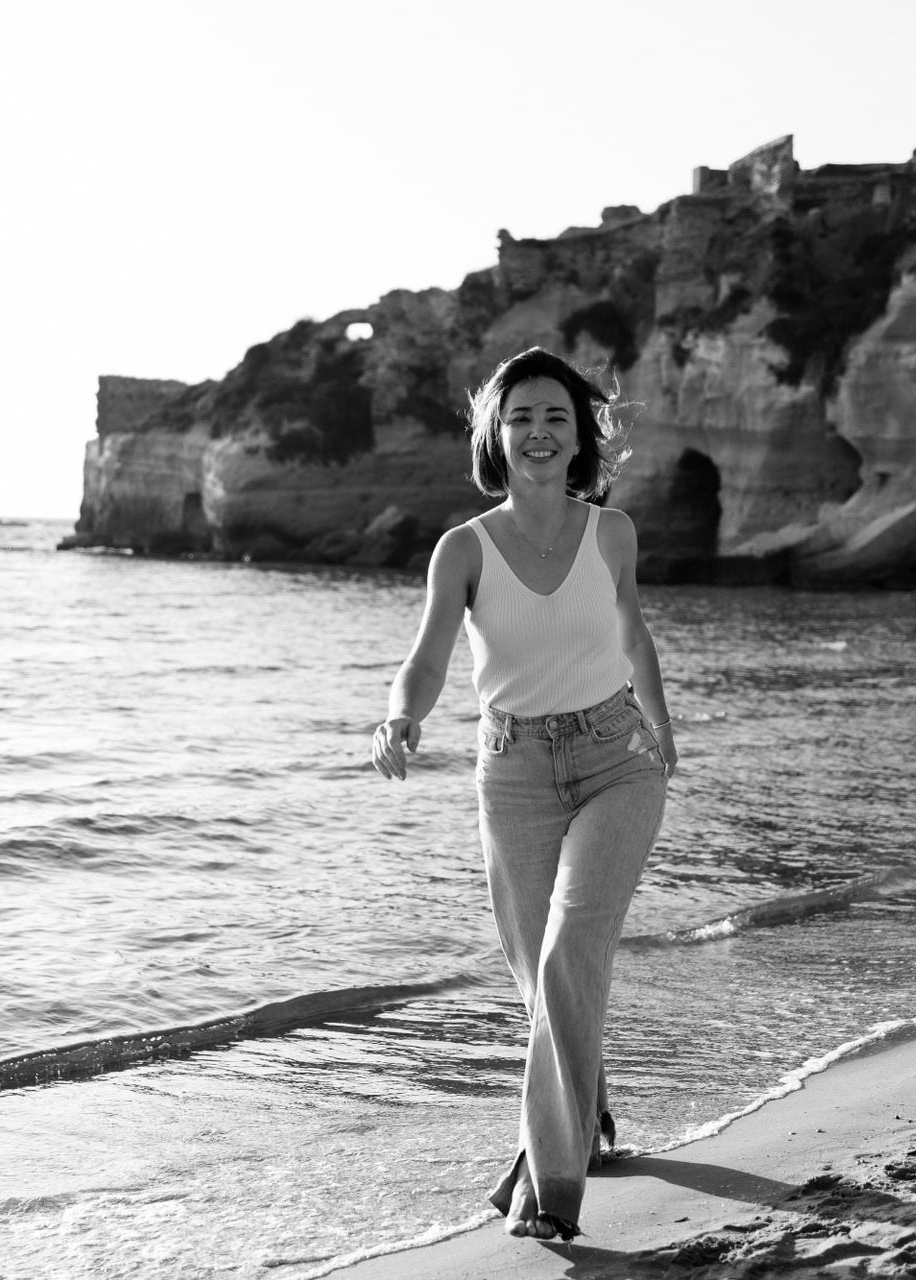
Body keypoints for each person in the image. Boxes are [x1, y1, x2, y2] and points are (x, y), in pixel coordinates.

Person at [370, 347, 676, 1242]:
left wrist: (662, 726)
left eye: (556, 418)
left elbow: (633, 634)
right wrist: (401, 716)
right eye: (520, 418)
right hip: (513, 772)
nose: (538, 433)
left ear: (581, 437)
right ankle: (588, 1111)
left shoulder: (612, 534)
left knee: (567, 953)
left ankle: (549, 1191)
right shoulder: (464, 548)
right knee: (543, 982)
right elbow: (428, 655)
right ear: (494, 437)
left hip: (617, 758)